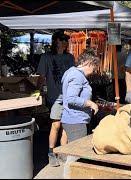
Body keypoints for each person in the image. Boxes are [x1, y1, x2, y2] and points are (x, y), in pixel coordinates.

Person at [36, 31, 75, 167]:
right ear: (55, 41)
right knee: (56, 124)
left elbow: (73, 76)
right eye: (62, 39)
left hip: (69, 96)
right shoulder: (46, 57)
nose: (65, 42)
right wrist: (37, 90)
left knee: (65, 124)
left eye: (66, 39)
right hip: (55, 96)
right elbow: (41, 76)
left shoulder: (70, 57)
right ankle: (51, 152)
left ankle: (63, 152)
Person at [60, 48, 100, 178]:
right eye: (94, 66)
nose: (94, 71)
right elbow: (71, 99)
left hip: (73, 120)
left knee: (74, 154)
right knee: (75, 156)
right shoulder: (77, 75)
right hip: (76, 121)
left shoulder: (71, 72)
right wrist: (90, 103)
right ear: (88, 63)